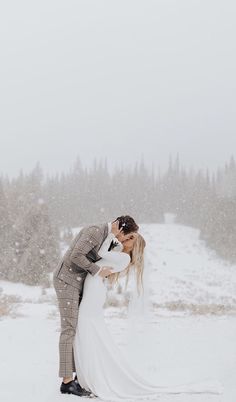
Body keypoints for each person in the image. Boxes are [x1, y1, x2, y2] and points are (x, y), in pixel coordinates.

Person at [73, 233, 221, 400]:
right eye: (128, 237)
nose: (125, 240)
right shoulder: (120, 255)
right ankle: (89, 373)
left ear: (134, 246)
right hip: (94, 289)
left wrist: (110, 238)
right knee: (88, 329)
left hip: (94, 293)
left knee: (86, 327)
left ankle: (90, 374)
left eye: (130, 240)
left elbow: (101, 254)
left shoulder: (123, 259)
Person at [53, 215, 139, 397]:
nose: (124, 240)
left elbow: (108, 256)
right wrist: (98, 270)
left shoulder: (109, 238)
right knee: (69, 329)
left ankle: (76, 374)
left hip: (79, 282)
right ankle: (67, 382)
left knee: (76, 329)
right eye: (126, 235)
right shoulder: (95, 231)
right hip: (67, 280)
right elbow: (77, 255)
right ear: (120, 227)